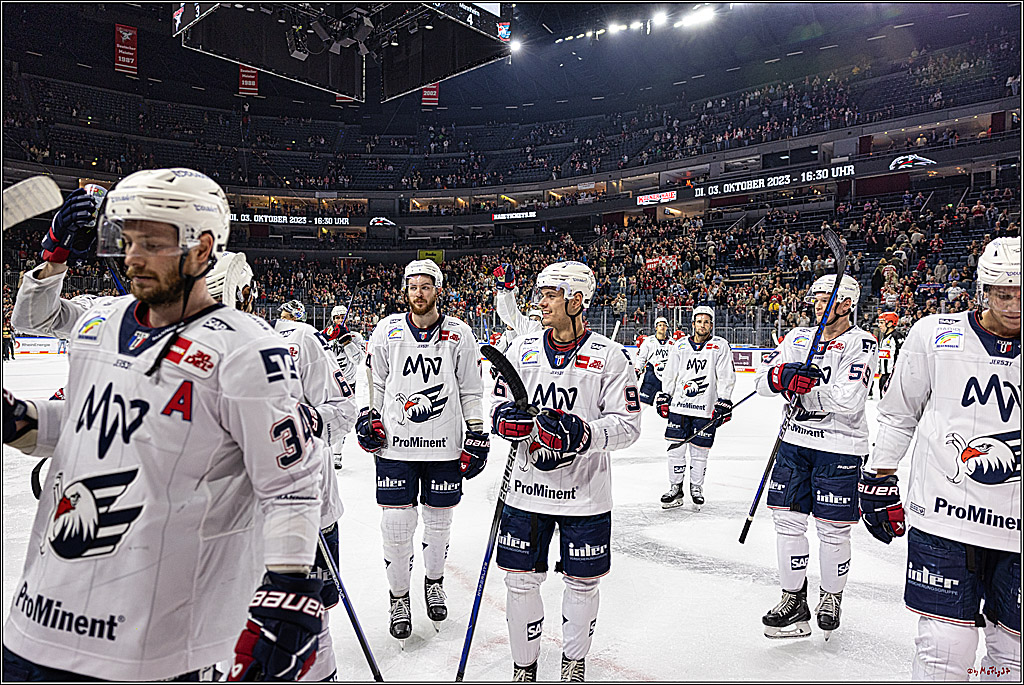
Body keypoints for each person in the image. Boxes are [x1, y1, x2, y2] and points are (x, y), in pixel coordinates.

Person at [2, 169, 325, 681]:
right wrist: (22, 419)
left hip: (148, 645)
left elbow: (291, 486)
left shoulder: (246, 349)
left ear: (201, 250)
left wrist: (289, 593)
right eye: (127, 241)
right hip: (36, 621)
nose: (132, 257)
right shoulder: (99, 321)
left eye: (151, 243)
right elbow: (98, 424)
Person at [860, 237, 1020, 681]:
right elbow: (898, 413)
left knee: (1014, 657)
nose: (1014, 305)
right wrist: (879, 476)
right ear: (984, 291)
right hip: (944, 518)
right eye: (1004, 294)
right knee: (944, 650)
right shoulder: (934, 334)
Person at [206, 254, 357, 682]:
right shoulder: (189, 355)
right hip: (232, 518)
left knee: (309, 620)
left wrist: (311, 422)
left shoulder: (298, 342)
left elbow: (344, 409)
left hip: (307, 510)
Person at [491, 260, 642, 682]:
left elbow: (629, 425)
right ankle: (525, 668)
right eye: (540, 293)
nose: (540, 302)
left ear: (577, 300)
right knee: (520, 583)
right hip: (525, 490)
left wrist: (583, 434)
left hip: (586, 494)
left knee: (582, 584)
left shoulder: (610, 356)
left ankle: (573, 665)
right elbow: (498, 406)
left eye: (550, 294)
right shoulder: (521, 349)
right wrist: (505, 421)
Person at [357, 259, 486, 644]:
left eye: (426, 286)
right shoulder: (387, 330)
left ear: (438, 289)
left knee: (439, 523)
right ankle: (399, 598)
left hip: (445, 445)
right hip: (396, 445)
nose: (419, 293)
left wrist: (476, 433)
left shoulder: (459, 333)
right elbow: (375, 381)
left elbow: (471, 390)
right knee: (395, 527)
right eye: (412, 286)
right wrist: (370, 416)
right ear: (405, 291)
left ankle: (434, 583)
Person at [754, 274, 877, 641]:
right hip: (793, 443)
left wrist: (807, 390)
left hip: (839, 448)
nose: (818, 306)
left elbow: (850, 398)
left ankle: (831, 597)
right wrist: (780, 376)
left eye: (826, 300)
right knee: (787, 524)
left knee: (833, 530)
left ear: (846, 303)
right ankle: (793, 599)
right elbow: (762, 382)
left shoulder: (863, 343)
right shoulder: (798, 338)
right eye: (817, 300)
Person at [656, 306, 736, 509]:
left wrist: (724, 400)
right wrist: (665, 395)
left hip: (705, 408)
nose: (703, 325)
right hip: (679, 407)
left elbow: (726, 375)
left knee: (700, 451)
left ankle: (696, 487)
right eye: (699, 321)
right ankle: (675, 488)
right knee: (675, 449)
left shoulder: (720, 346)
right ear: (693, 324)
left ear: (711, 325)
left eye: (707, 322)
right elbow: (670, 373)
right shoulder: (680, 345)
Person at [321, 303, 368, 468]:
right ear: (332, 319)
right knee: (324, 415)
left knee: (344, 417)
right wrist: (326, 339)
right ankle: (323, 450)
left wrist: (347, 342)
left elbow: (358, 360)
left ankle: (337, 454)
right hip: (328, 382)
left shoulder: (355, 337)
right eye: (337, 318)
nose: (340, 320)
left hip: (348, 384)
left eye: (342, 317)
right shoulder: (324, 334)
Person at [493, 262, 544, 337]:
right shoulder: (530, 326)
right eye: (533, 319)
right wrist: (504, 290)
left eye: (551, 296)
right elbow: (506, 313)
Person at [634, 316, 675, 405]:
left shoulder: (673, 343)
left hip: (668, 377)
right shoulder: (648, 341)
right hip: (651, 375)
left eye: (664, 325)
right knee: (643, 404)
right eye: (660, 325)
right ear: (656, 327)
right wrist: (637, 369)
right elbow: (641, 358)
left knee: (668, 405)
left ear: (667, 327)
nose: (662, 327)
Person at [873, 311, 904, 400]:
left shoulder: (897, 337)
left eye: (882, 323)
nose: (879, 325)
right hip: (884, 375)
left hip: (893, 376)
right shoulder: (884, 338)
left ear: (890, 323)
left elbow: (902, 357)